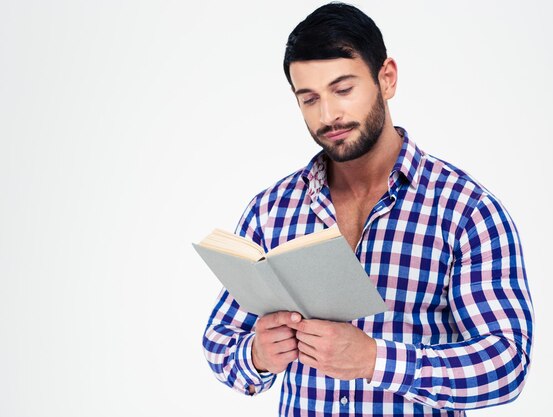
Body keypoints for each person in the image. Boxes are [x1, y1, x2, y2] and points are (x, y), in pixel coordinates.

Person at [202, 3, 533, 416]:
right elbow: (220, 340)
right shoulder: (272, 210)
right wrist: (258, 355)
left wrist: (375, 360)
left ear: (386, 78)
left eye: (343, 90)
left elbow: (506, 364)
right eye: (309, 99)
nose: (328, 115)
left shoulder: (466, 211)